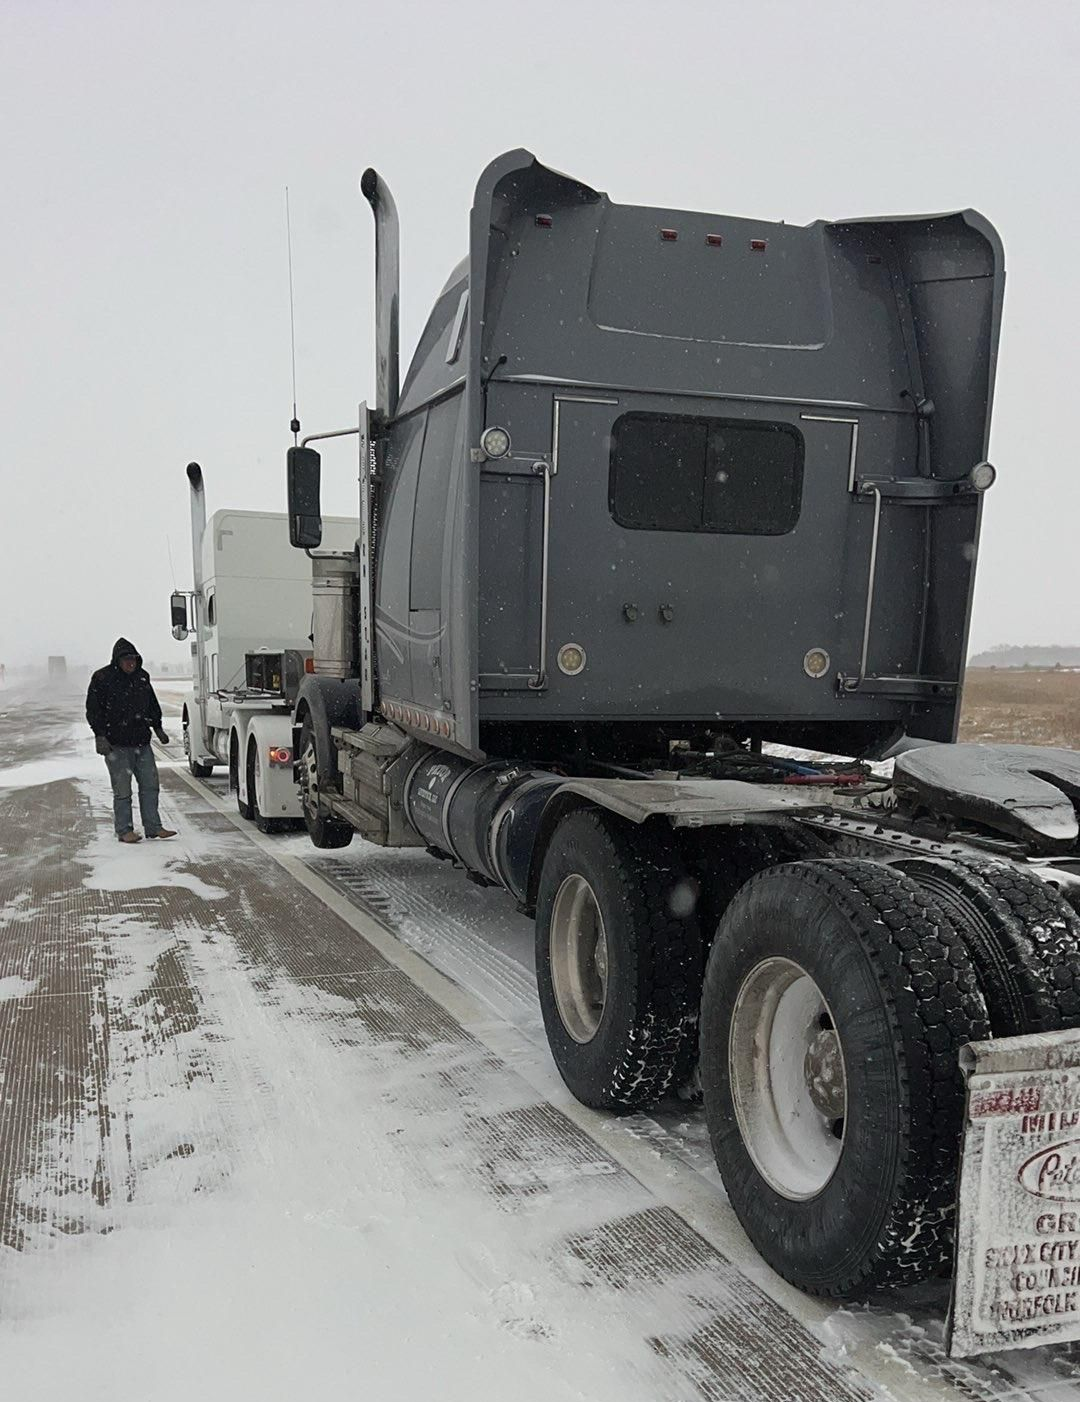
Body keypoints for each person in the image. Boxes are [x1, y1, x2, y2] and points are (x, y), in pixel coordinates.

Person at [86, 638, 177, 844]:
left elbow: (151, 704)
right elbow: (94, 710)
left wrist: (158, 726)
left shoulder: (142, 678)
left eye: (134, 660)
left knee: (150, 786)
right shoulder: (102, 678)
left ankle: (153, 827)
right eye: (127, 660)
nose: (131, 663)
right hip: (115, 744)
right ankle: (124, 830)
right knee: (123, 790)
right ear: (117, 660)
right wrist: (100, 735)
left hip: (141, 743)